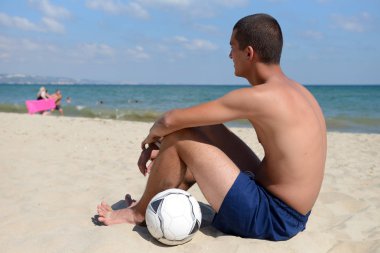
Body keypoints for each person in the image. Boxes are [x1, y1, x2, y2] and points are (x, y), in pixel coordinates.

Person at [97, 13, 327, 241]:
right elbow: (201, 122)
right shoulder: (299, 91)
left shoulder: (261, 97)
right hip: (292, 212)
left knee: (182, 138)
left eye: (232, 47)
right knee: (208, 127)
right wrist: (163, 144)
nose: (229, 55)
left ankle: (138, 214)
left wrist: (150, 141)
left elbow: (169, 120)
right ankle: (156, 197)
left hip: (272, 217)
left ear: (249, 53)